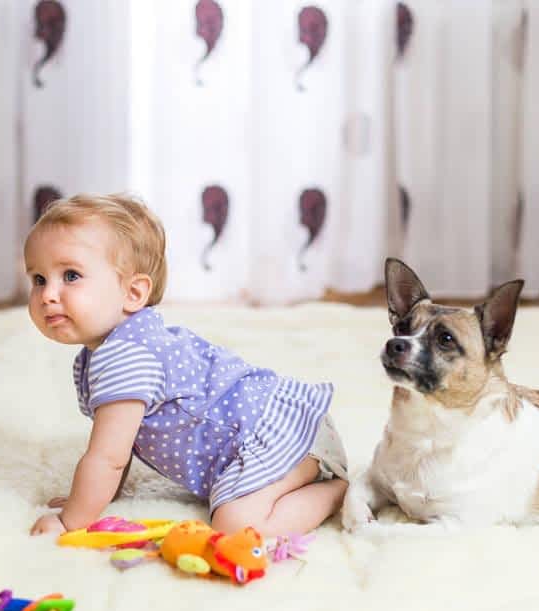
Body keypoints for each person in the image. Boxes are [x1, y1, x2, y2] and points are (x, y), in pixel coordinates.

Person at [25, 193, 348, 538]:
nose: (48, 294)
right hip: (286, 428)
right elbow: (118, 442)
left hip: (277, 440)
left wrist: (71, 520)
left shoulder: (128, 357)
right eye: (39, 279)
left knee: (237, 525)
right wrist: (91, 497)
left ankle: (335, 492)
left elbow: (108, 458)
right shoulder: (112, 349)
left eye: (71, 276)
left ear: (133, 294)